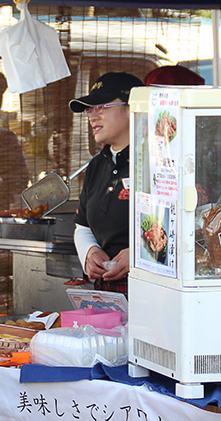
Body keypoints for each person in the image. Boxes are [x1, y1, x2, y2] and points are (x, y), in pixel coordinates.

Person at [70, 72, 143, 294]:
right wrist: (90, 253)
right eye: (89, 110)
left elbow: (190, 227)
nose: (92, 116)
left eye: (100, 107)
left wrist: (142, 255)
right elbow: (83, 226)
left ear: (131, 108)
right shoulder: (96, 165)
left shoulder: (158, 162)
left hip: (153, 293)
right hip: (108, 293)